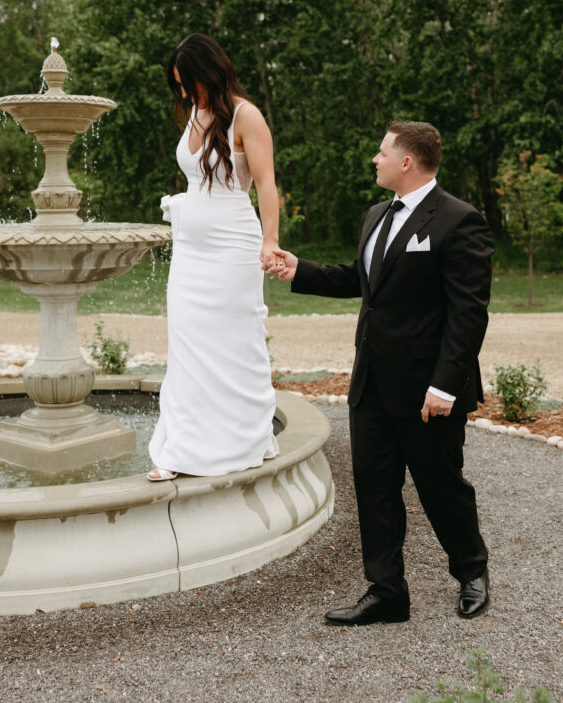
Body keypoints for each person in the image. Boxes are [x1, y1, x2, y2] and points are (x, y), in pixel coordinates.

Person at [266, 120, 493, 624]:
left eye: (382, 152)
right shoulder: (375, 215)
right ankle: (387, 591)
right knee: (374, 487)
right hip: (371, 381)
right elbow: (361, 280)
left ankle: (472, 570)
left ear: (407, 162)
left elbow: (468, 313)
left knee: (440, 486)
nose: (375, 159)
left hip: (427, 390)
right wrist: (298, 268)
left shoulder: (460, 221)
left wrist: (444, 385)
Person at [148, 33, 281, 480]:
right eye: (179, 85)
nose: (184, 93)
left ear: (209, 72)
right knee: (187, 342)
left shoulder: (246, 116)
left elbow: (265, 184)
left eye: (188, 83)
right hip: (190, 249)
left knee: (232, 342)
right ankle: (183, 447)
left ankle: (245, 436)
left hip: (233, 246)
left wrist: (270, 241)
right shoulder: (194, 113)